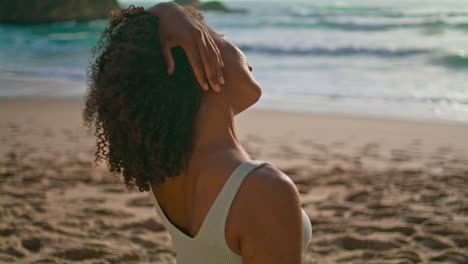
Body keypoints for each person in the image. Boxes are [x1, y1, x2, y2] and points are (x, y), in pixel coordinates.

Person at [83, 2, 311, 263]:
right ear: (201, 59)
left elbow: (143, 40)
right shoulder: (264, 190)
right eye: (222, 39)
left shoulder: (167, 169)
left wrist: (167, 10)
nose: (243, 53)